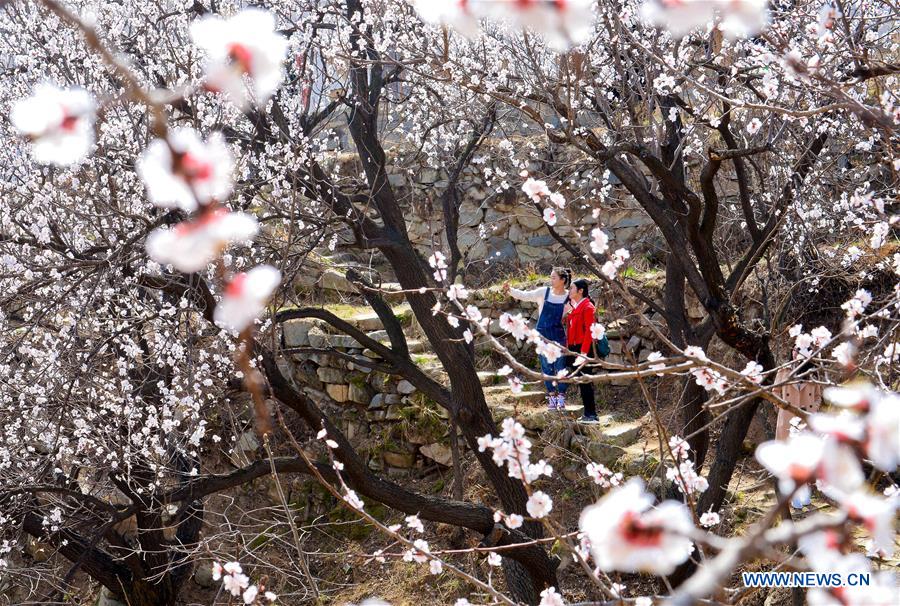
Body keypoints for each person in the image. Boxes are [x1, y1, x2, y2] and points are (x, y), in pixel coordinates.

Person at [503, 268, 572, 410]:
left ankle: (561, 398)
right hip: (542, 335)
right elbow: (525, 295)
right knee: (546, 366)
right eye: (550, 277)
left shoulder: (568, 297)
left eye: (554, 278)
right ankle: (551, 397)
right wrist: (510, 289)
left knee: (560, 366)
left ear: (562, 280)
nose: (550, 280)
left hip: (559, 335)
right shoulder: (544, 292)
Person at [773, 351, 822, 509]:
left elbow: (818, 396)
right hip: (787, 419)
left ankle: (804, 493)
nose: (797, 352)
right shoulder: (784, 370)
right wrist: (781, 408)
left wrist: (811, 411)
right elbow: (775, 391)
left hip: (806, 420)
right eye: (794, 349)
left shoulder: (813, 371)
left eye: (801, 349)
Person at [564, 278, 599, 424]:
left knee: (585, 381)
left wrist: (584, 353)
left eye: (572, 288)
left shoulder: (588, 307)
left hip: (583, 349)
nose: (569, 290)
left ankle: (591, 415)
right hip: (574, 348)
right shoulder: (576, 307)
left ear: (580, 291)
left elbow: (589, 333)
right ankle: (587, 413)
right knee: (581, 381)